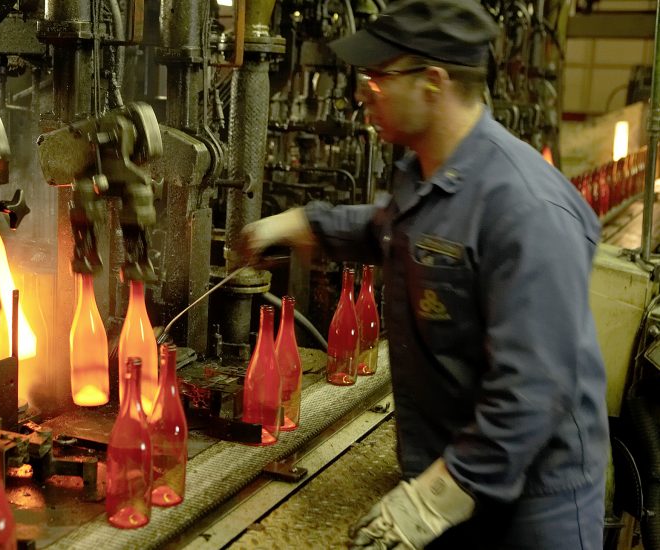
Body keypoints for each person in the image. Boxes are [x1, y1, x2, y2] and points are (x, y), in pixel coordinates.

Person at [237, 0, 609, 548]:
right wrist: (302, 223)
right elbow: (398, 230)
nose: (363, 91)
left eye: (379, 76)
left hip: (529, 506)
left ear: (433, 82)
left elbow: (532, 390)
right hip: (454, 472)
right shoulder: (428, 174)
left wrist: (434, 499)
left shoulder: (526, 209)